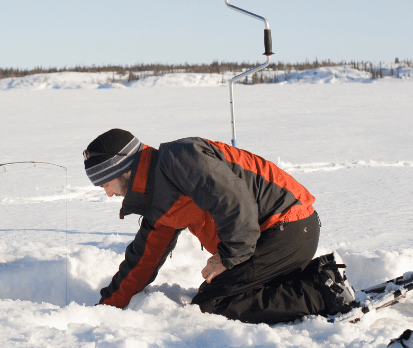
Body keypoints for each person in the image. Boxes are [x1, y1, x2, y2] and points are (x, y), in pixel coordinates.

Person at [84, 128, 356, 324]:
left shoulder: (179, 158)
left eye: (105, 184)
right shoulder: (158, 202)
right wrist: (106, 307)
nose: (108, 194)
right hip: (271, 237)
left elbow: (235, 201)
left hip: (288, 224)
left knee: (213, 303)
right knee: (223, 294)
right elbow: (142, 260)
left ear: (120, 170)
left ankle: (321, 294)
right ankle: (320, 279)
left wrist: (230, 256)